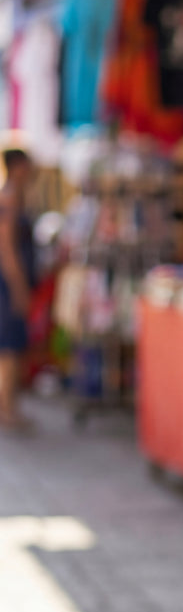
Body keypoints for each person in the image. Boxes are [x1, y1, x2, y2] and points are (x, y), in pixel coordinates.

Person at [0, 145, 37, 432]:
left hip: (11, 281)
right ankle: (7, 409)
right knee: (10, 347)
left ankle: (9, 407)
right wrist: (18, 286)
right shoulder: (10, 197)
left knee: (12, 346)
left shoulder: (14, 196)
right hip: (9, 283)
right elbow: (7, 248)